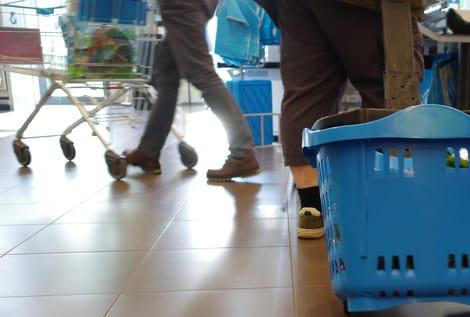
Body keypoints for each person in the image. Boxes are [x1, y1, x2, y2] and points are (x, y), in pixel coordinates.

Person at [256, 0, 425, 239]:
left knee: (306, 94)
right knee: (390, 92)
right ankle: (391, 201)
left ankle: (311, 207)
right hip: (370, 5)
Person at [124, 0, 260, 181]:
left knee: (203, 75)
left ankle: (242, 154)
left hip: (182, 5)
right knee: (167, 69)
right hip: (186, 6)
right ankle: (148, 151)